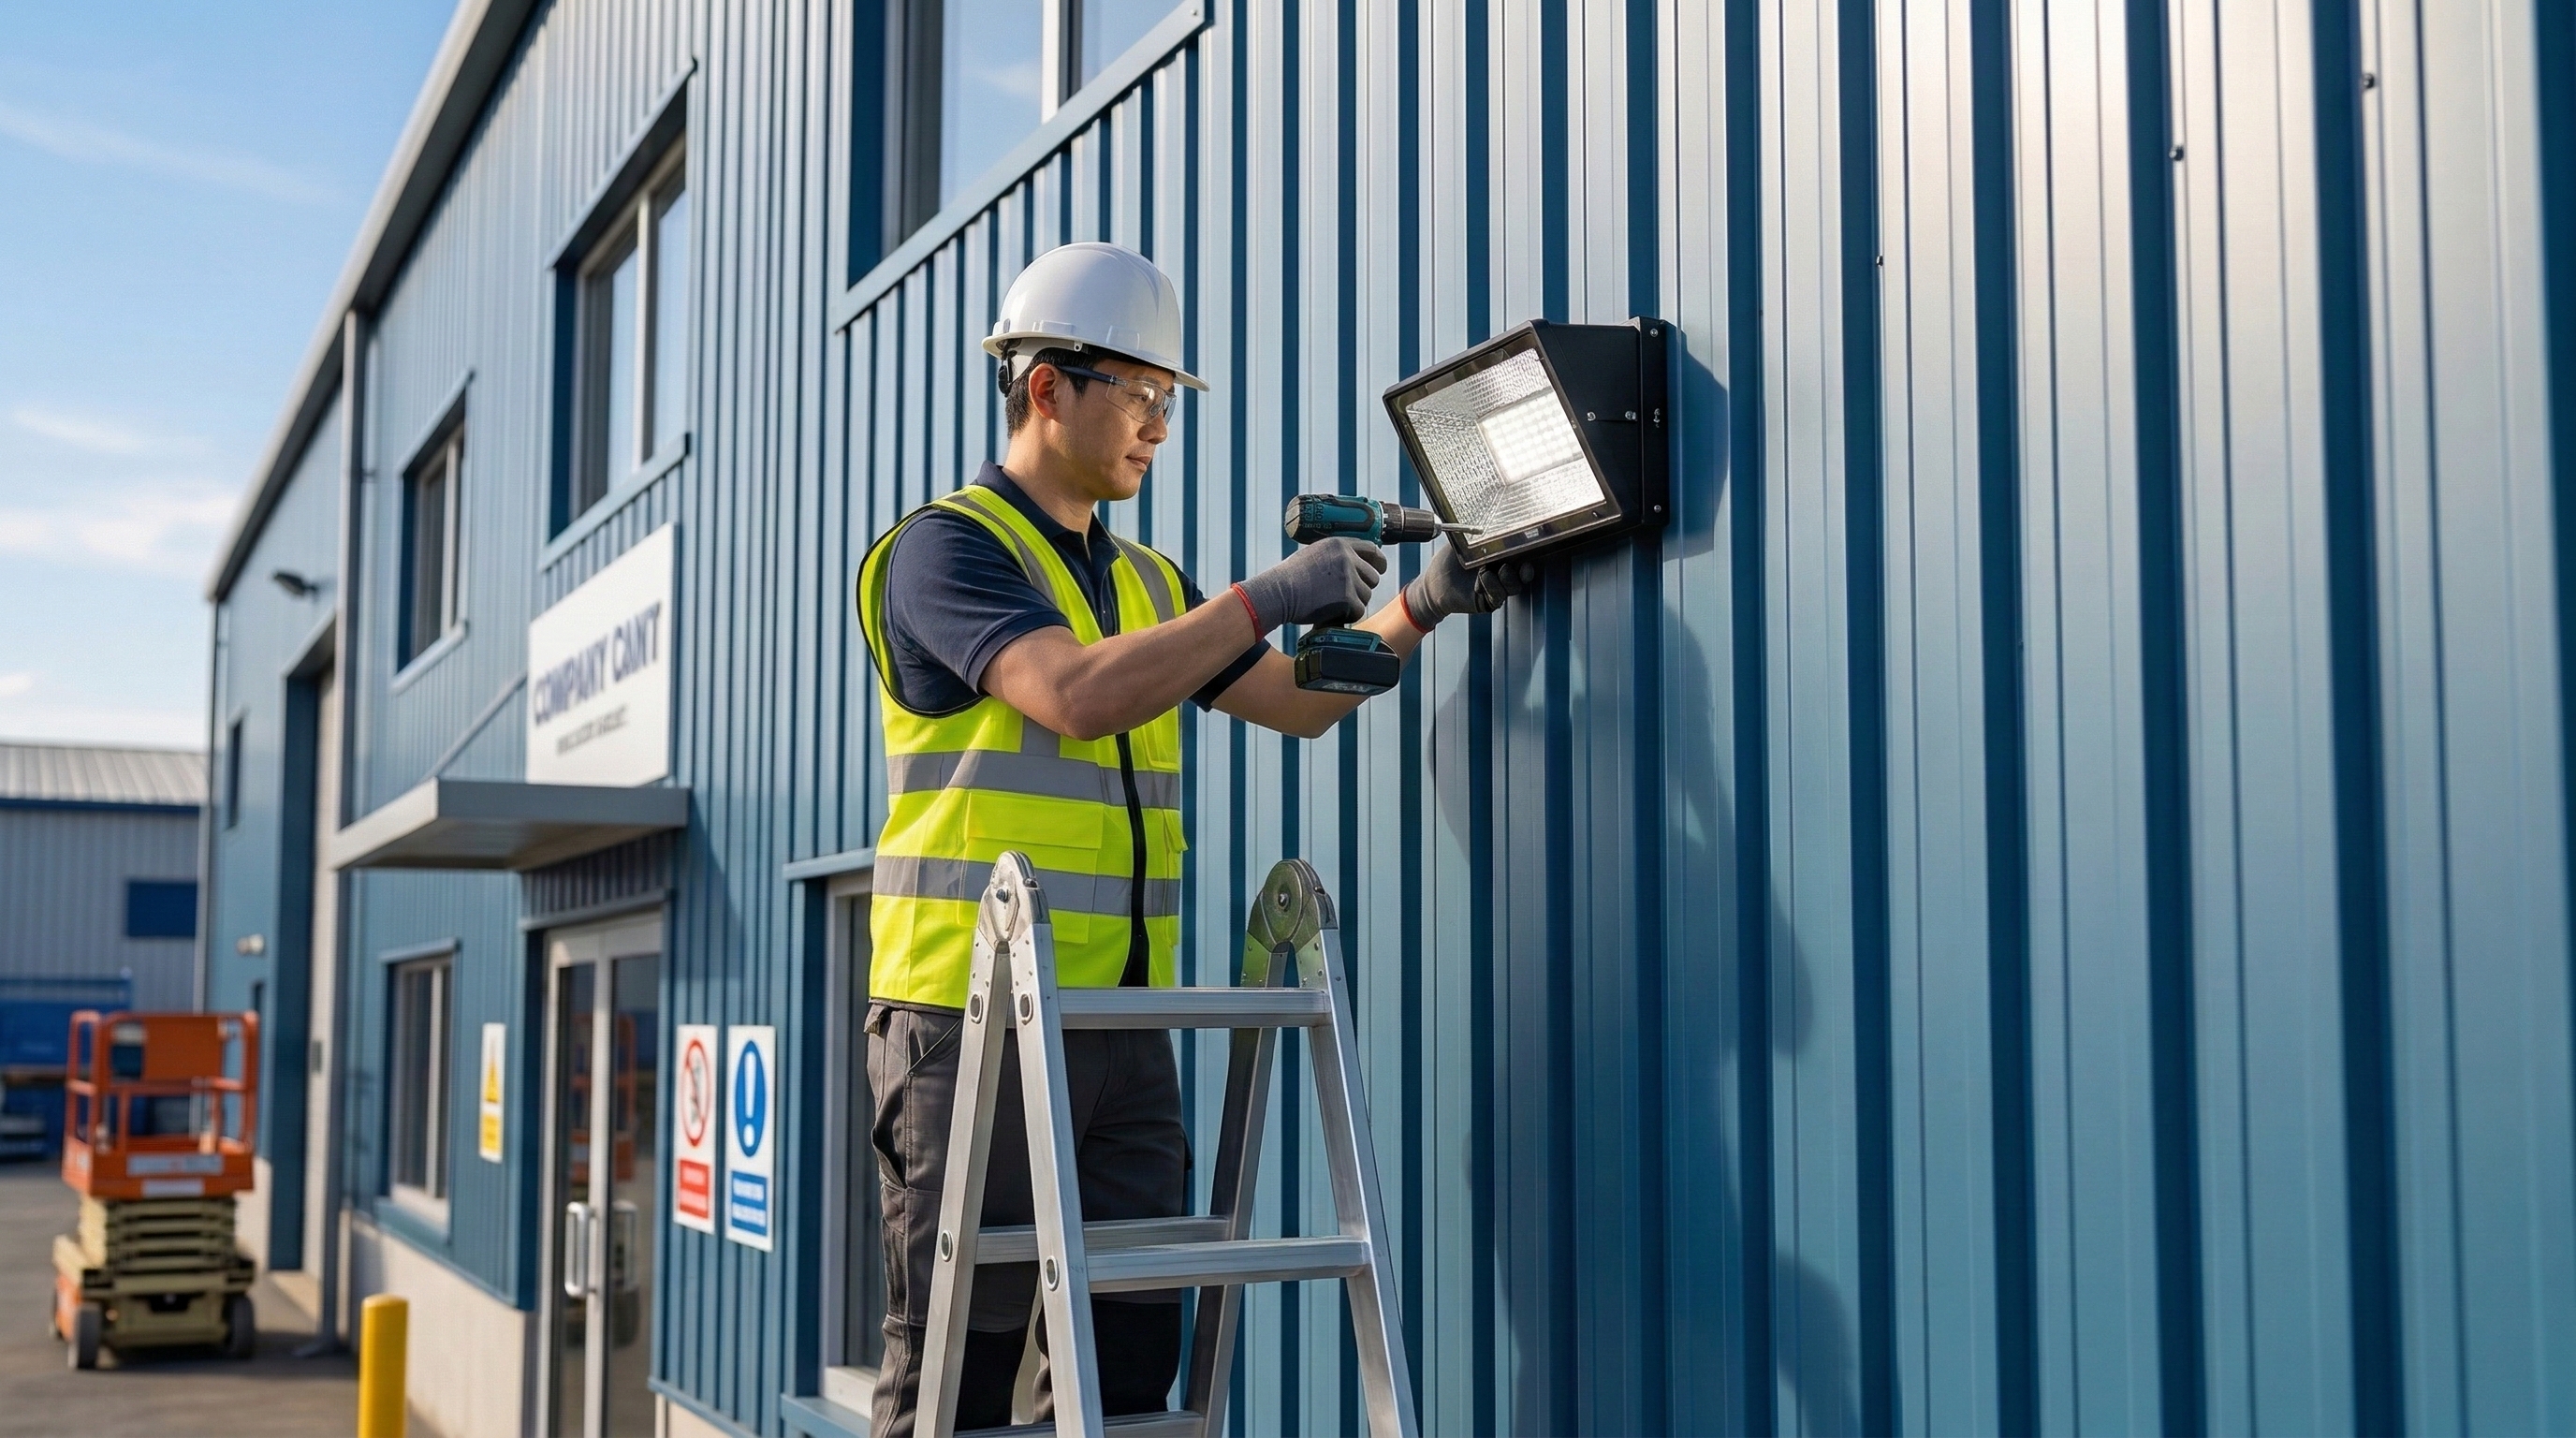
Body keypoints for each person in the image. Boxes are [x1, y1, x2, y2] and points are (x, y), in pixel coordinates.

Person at [855, 241, 1523, 1433]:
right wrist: (1268, 595)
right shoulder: (946, 550)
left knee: (1128, 1365)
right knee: (959, 1370)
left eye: (1169, 399)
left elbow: (1297, 704)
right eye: (1140, 394)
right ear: (1046, 387)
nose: (1159, 425)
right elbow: (1074, 695)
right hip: (965, 1023)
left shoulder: (1151, 584)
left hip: (1118, 1026)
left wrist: (1424, 603)